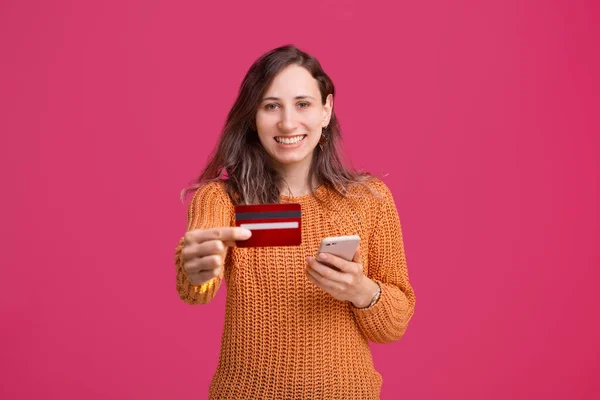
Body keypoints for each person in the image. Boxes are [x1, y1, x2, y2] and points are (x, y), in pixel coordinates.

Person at [174, 45, 416, 400]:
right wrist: (196, 269)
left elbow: (394, 325)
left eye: (302, 104)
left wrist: (361, 291)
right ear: (253, 117)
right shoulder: (222, 199)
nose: (288, 123)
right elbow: (196, 290)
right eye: (271, 106)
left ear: (326, 110)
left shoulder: (369, 200)